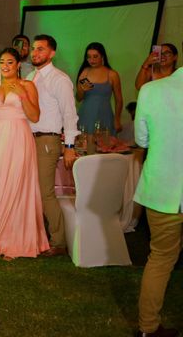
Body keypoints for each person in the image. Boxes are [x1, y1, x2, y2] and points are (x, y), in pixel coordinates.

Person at [0, 48, 49, 260]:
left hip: (19, 137)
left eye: (10, 62)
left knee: (16, 184)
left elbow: (35, 116)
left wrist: (23, 96)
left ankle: (13, 240)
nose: (5, 66)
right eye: (2, 62)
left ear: (18, 65)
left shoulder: (27, 85)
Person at [133, 64, 183, 337]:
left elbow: (142, 139)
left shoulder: (152, 90)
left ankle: (148, 328)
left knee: (161, 259)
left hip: (163, 188)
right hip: (167, 190)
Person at [27, 34, 79, 256]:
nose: (35, 53)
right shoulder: (31, 76)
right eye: (33, 49)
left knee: (45, 191)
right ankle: (39, 235)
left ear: (52, 53)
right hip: (29, 139)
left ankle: (58, 241)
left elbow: (70, 114)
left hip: (48, 140)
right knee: (32, 190)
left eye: (40, 49)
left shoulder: (60, 79)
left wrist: (69, 146)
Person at [75, 42, 123, 135]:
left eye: (95, 56)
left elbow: (119, 100)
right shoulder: (85, 72)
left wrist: (117, 119)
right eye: (88, 57)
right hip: (86, 114)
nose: (91, 60)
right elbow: (78, 98)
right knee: (84, 146)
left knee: (105, 145)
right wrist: (82, 90)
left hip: (105, 115)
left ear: (102, 56)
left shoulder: (112, 74)